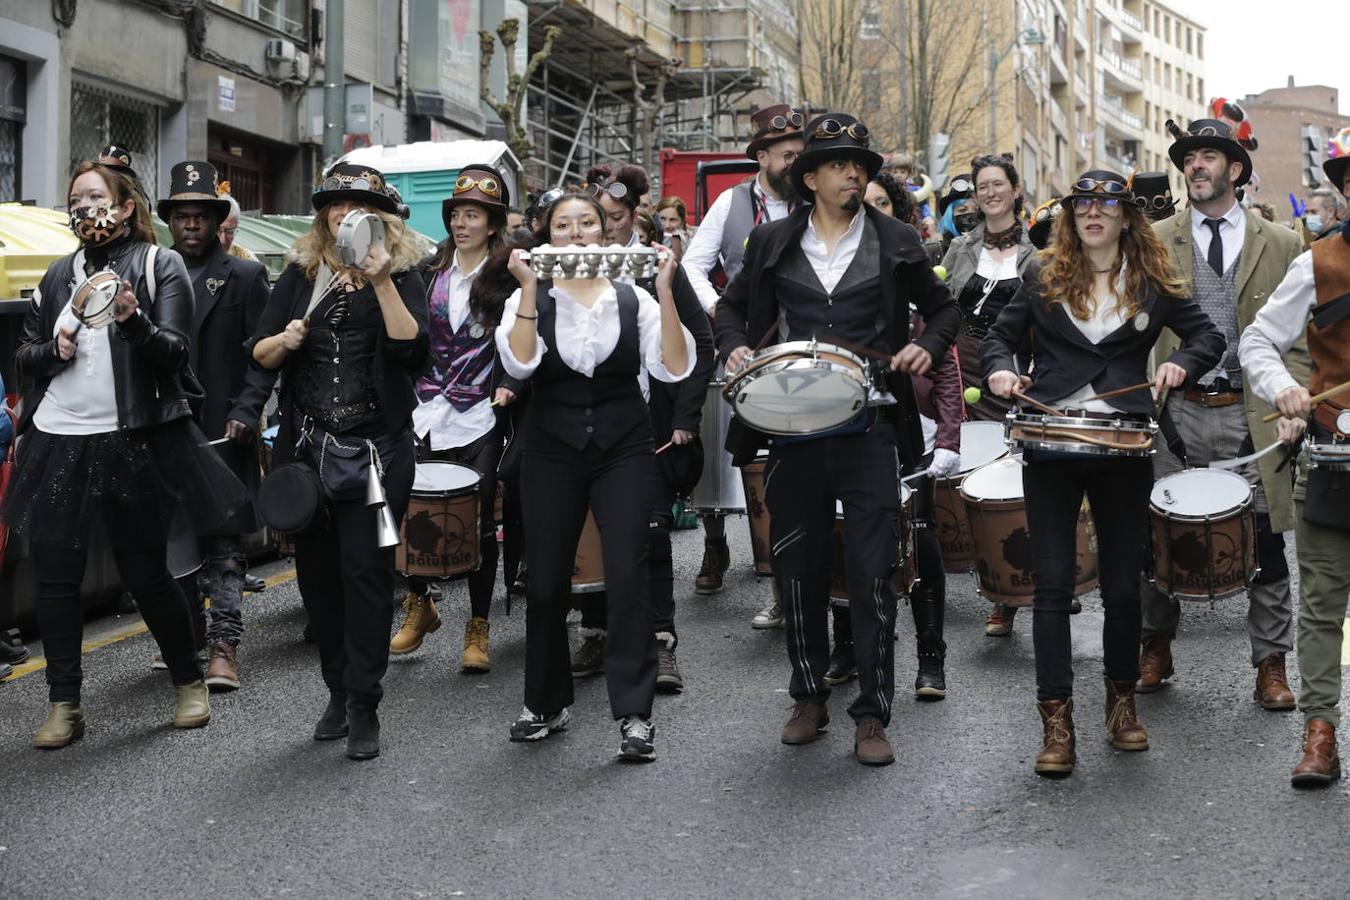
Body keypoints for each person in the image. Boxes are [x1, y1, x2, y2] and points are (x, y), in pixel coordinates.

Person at [716, 113, 960, 766]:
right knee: (797, 567)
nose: (855, 172)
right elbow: (731, 309)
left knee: (872, 573)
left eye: (861, 164)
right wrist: (737, 348)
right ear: (812, 177)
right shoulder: (770, 242)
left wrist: (923, 347)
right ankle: (808, 696)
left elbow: (943, 311)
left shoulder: (897, 239)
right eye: (840, 164)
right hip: (792, 428)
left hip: (872, 429)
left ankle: (872, 712)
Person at [983, 170, 1224, 777]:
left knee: (1121, 587)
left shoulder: (1150, 280)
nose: (1094, 213)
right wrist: (1002, 374)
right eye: (1083, 204)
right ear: (1071, 216)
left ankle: (1121, 705)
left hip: (1124, 447)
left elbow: (1207, 336)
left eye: (1107, 205)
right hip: (1052, 444)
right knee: (1053, 587)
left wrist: (1180, 368)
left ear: (1125, 217)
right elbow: (999, 341)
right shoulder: (1041, 273)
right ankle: (1057, 723)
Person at [3, 159, 248, 748]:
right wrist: (54, 350)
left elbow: (174, 356)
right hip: (60, 440)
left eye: (95, 197)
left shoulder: (159, 265)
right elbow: (24, 354)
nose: (84, 208)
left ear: (125, 206)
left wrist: (133, 322)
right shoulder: (58, 275)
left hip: (136, 438)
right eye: (76, 198)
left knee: (145, 572)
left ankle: (188, 681)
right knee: (58, 577)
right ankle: (65, 704)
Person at [496, 192, 694, 762]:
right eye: (564, 225)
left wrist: (664, 290)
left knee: (629, 573)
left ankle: (634, 713)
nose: (578, 233)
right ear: (546, 235)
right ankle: (546, 701)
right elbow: (519, 364)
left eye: (588, 222)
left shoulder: (634, 299)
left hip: (623, 447)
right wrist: (531, 290)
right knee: (547, 580)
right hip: (551, 448)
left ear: (606, 232)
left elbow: (673, 367)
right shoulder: (524, 297)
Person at [249, 163, 429, 761]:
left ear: (381, 220)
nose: (344, 214)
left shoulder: (403, 275)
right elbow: (261, 351)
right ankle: (335, 688)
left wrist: (379, 282)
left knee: (368, 578)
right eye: (334, 204)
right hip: (307, 452)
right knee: (319, 583)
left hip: (378, 455)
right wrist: (287, 340)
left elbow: (411, 353)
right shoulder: (301, 275)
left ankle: (364, 703)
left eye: (358, 206)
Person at [1140, 118, 1308, 709]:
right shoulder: (1156, 239)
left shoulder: (1283, 242)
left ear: (1235, 171)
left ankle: (1270, 663)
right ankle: (1155, 644)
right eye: (1190, 158)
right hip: (1176, 413)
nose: (1196, 166)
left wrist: (1297, 404)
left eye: (1208, 157)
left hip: (1252, 411)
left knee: (1261, 540)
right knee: (1159, 533)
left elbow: (1299, 343)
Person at [568, 164, 715, 694]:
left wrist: (685, 417)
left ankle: (660, 640)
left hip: (647, 421)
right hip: (583, 422)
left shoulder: (659, 266)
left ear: (634, 217)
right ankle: (596, 630)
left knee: (651, 532)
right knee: (590, 531)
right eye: (592, 219)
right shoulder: (568, 265)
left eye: (612, 218)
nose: (603, 229)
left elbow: (701, 341)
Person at [1238, 146, 1350, 787]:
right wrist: (1282, 386)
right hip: (1336, 458)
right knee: (1323, 606)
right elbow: (1256, 339)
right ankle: (1320, 734)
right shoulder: (1319, 261)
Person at [389, 164, 524, 673]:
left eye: (474, 214)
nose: (462, 222)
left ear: (493, 223)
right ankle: (419, 605)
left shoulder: (513, 273)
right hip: (425, 409)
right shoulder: (427, 271)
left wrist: (513, 386)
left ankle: (478, 625)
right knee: (412, 509)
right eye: (457, 214)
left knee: (479, 519)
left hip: (481, 414)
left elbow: (528, 339)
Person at [682, 103, 803, 619]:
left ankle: (783, 582)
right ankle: (715, 541)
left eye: (802, 153)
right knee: (726, 449)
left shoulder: (814, 203)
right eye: (787, 154)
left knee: (787, 471)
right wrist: (720, 316)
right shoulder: (730, 204)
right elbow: (692, 266)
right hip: (742, 348)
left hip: (802, 353)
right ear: (763, 158)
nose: (797, 162)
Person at [159, 160, 273, 692]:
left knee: (223, 546)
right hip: (157, 429)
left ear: (215, 219)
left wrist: (248, 410)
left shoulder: (246, 276)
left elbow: (261, 357)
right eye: (181, 216)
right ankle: (189, 632)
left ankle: (225, 645)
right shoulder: (150, 274)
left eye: (200, 216)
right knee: (168, 542)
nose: (190, 225)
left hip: (221, 428)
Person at [848, 170, 962, 698]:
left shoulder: (915, 271)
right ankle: (847, 649)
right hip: (848, 425)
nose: (870, 213)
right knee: (847, 537)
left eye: (881, 204)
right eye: (861, 203)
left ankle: (931, 657)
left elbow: (946, 366)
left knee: (921, 537)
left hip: (907, 429)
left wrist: (947, 439)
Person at [939, 153, 1037, 637]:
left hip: (1012, 370)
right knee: (962, 468)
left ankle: (1009, 593)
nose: (991, 193)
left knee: (1008, 475)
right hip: (961, 366)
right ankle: (979, 572)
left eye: (999, 184)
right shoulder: (958, 249)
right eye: (983, 187)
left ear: (1016, 191)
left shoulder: (1040, 252)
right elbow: (942, 309)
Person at [655, 196, 693, 260]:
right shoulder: (650, 234)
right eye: (662, 219)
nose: (667, 225)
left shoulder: (689, 242)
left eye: (672, 220)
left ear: (682, 221)